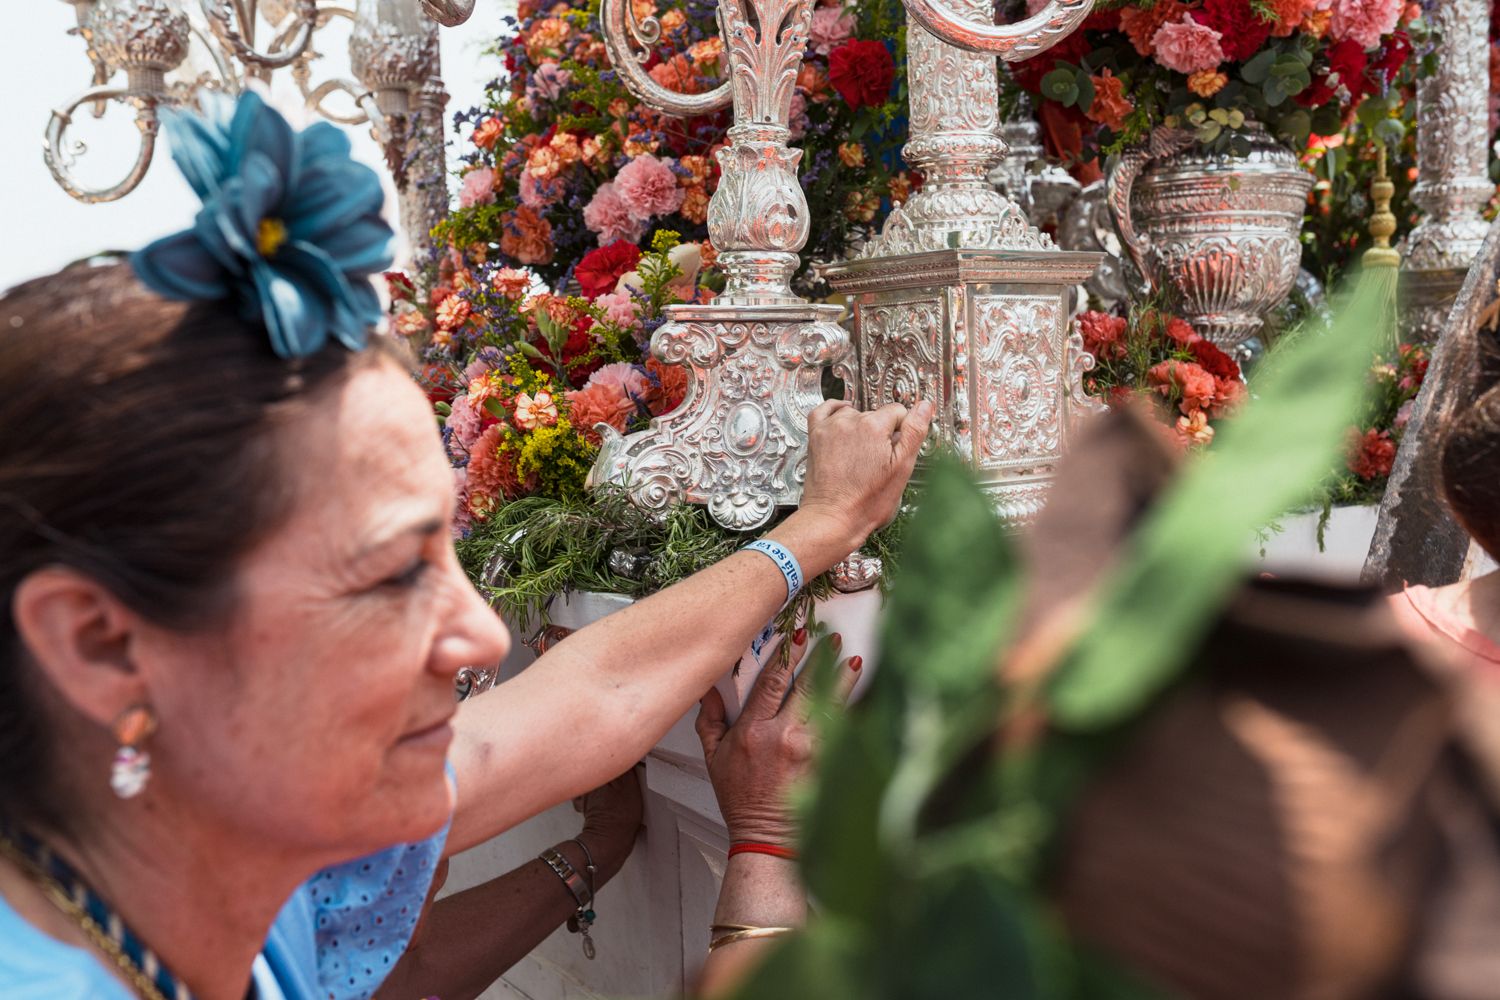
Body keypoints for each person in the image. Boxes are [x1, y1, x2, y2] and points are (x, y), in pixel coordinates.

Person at [0, 91, 930, 999]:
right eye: (392, 573)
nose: (484, 642)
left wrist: (819, 529)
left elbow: (587, 695)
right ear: (101, 643)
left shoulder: (228, 839)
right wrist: (765, 856)